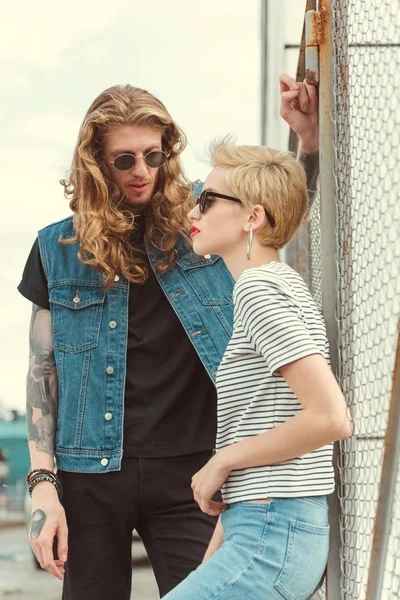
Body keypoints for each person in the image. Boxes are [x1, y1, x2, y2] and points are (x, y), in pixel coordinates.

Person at [18, 74, 320, 599]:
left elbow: (275, 212)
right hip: (91, 472)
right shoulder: (55, 248)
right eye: (125, 160)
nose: (142, 172)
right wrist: (43, 485)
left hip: (193, 470)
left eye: (153, 157)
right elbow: (42, 371)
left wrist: (307, 143)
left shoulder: (206, 219)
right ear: (96, 163)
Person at [162, 140, 352, 600]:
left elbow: (330, 417)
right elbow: (264, 430)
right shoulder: (273, 285)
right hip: (262, 529)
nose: (194, 210)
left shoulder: (259, 289)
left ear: (253, 217)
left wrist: (221, 461)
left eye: (207, 200)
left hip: (274, 533)